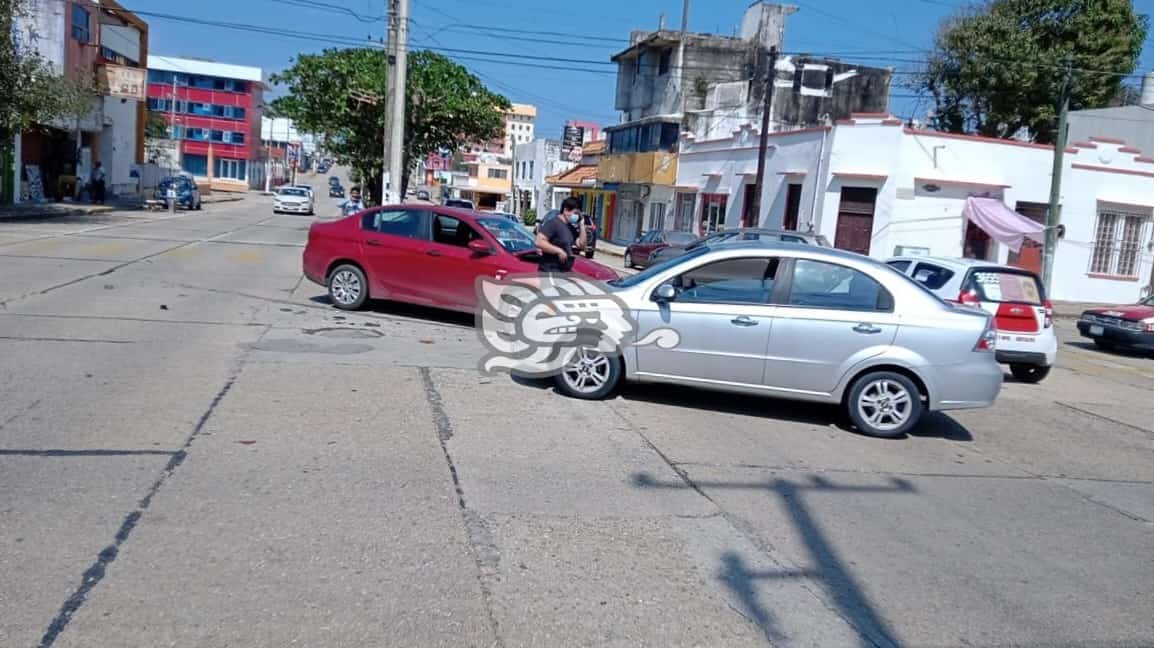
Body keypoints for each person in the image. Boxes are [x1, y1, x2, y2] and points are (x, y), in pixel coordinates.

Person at [535, 197, 586, 273]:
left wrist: (582, 225)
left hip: (563, 271)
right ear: (565, 210)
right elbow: (539, 242)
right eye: (575, 213)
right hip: (550, 270)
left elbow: (581, 245)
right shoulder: (553, 223)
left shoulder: (571, 228)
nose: (576, 216)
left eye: (578, 214)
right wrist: (558, 251)